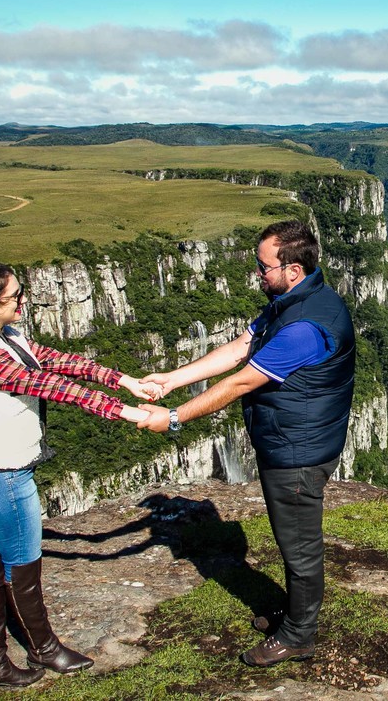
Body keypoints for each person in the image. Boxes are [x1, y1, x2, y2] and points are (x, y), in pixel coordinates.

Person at [137, 220, 355, 667]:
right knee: (291, 538)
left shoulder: (304, 327)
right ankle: (294, 614)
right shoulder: (294, 300)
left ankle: (299, 635)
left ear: (292, 269)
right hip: (291, 437)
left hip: (298, 451)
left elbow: (241, 380)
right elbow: (242, 346)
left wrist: (174, 418)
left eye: (263, 266)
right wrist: (172, 379)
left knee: (299, 544)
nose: (258, 274)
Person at [0, 262, 157, 688]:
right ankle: (43, 649)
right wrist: (128, 412)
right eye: (15, 296)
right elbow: (53, 386)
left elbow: (60, 362)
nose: (24, 300)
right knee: (23, 565)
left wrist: (123, 380)